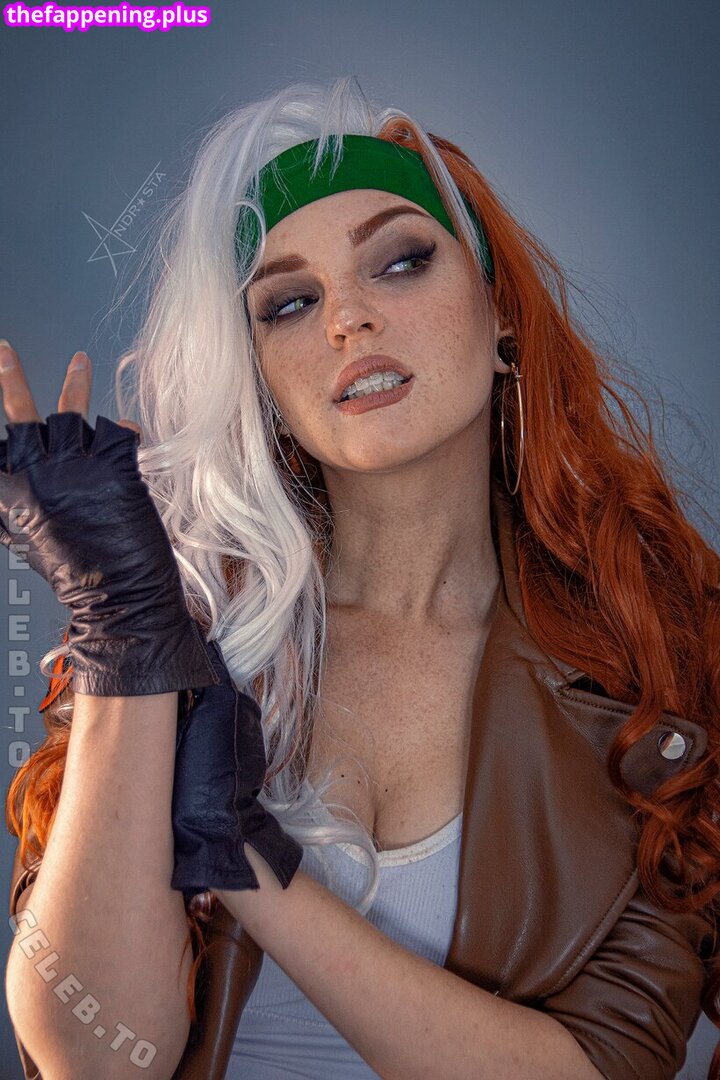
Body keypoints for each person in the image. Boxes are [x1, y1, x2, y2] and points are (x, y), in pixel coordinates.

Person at [3, 74, 719, 1080]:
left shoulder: (651, 650)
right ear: (263, 382)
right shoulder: (189, 636)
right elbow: (94, 1055)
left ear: (501, 314)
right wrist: (122, 633)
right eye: (290, 303)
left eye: (401, 261)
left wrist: (250, 867)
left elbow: (610, 1065)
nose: (347, 319)